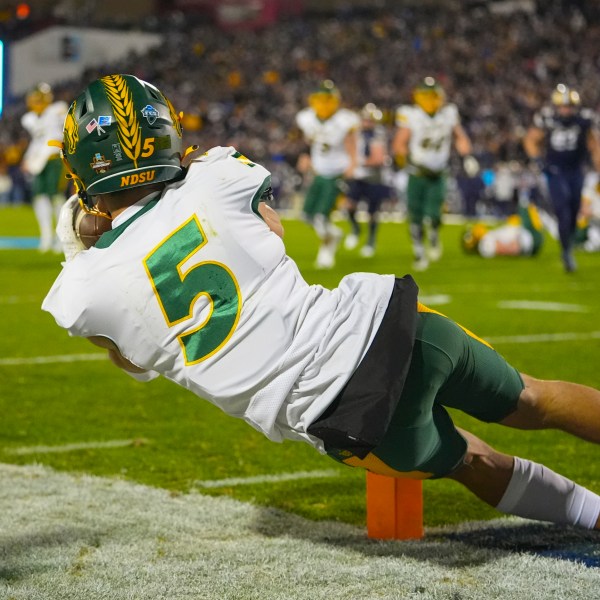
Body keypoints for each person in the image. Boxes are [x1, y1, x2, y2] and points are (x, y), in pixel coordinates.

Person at [43, 75, 600, 533]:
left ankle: (593, 515)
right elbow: (272, 232)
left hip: (344, 414)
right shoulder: (214, 177)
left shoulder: (84, 288)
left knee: (474, 460)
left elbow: (133, 363)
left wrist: (82, 244)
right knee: (534, 397)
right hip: (389, 324)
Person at [392, 77, 476, 271]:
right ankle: (419, 251)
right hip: (417, 172)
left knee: (434, 214)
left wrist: (467, 156)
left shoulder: (448, 114)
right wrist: (405, 158)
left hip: (438, 173)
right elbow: (399, 143)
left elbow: (460, 137)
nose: (430, 100)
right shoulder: (411, 115)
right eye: (426, 95)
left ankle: (434, 235)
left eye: (433, 95)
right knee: (415, 217)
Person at [523, 83, 600, 272]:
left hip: (576, 170)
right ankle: (566, 250)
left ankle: (568, 244)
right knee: (562, 208)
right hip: (555, 171)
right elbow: (530, 139)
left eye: (569, 106)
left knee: (574, 210)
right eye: (563, 106)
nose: (566, 110)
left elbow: (594, 144)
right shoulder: (547, 118)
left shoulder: (584, 119)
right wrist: (537, 160)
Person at [295, 80, 359, 268]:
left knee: (322, 216)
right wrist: (305, 156)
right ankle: (334, 234)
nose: (324, 103)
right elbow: (308, 141)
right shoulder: (307, 118)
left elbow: (351, 144)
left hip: (337, 172)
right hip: (319, 172)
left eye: (327, 99)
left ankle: (326, 251)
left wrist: (353, 165)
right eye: (320, 99)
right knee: (306, 215)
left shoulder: (344, 120)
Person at [21, 83, 69, 252]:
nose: (36, 101)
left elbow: (63, 132)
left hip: (55, 158)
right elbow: (37, 141)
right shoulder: (30, 118)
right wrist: (28, 158)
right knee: (39, 197)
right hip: (39, 161)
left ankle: (63, 238)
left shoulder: (58, 110)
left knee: (56, 197)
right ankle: (46, 236)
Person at [343, 103, 392, 258]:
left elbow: (378, 159)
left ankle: (371, 241)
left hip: (375, 178)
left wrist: (358, 162)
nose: (366, 123)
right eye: (365, 119)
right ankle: (356, 229)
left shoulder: (378, 134)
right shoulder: (356, 133)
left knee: (372, 213)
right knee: (349, 205)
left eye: (369, 120)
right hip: (359, 176)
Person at [461, 199, 545, 258]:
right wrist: (517, 246)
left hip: (523, 236)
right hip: (526, 240)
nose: (475, 230)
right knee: (524, 207)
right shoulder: (485, 245)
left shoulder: (486, 239)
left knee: (524, 209)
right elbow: (503, 248)